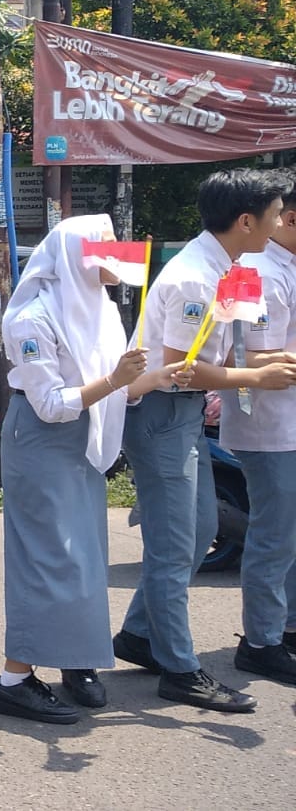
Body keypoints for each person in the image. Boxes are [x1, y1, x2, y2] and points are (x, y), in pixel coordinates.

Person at [0, 215, 192, 724]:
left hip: (83, 440)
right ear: (77, 253)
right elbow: (53, 404)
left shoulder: (99, 310)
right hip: (43, 441)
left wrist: (159, 376)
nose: (116, 255)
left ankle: (77, 660)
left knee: (84, 558)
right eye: (104, 246)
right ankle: (14, 681)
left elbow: (121, 387)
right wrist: (113, 379)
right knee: (48, 558)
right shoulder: (30, 318)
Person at [114, 167, 296, 714]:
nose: (277, 224)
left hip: (180, 415)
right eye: (273, 215)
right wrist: (256, 378)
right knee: (176, 546)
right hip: (165, 411)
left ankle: (142, 637)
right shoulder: (197, 277)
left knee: (198, 532)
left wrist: (253, 366)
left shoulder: (224, 266)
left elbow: (219, 357)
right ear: (246, 220)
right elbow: (183, 372)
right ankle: (180, 669)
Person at [216, 177, 296, 688]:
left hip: (288, 422)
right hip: (267, 425)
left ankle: (283, 625)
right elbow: (230, 353)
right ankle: (261, 641)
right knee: (275, 533)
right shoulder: (250, 270)